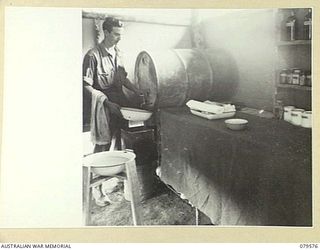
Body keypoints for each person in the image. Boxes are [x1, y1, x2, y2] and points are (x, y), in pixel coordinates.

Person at [83, 17, 143, 206]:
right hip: (105, 104)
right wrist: (105, 102)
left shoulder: (119, 53)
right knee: (102, 144)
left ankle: (117, 178)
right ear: (106, 32)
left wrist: (136, 90)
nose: (119, 38)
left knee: (121, 140)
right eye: (116, 34)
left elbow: (123, 79)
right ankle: (96, 190)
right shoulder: (93, 56)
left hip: (120, 102)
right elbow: (86, 85)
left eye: (121, 35)